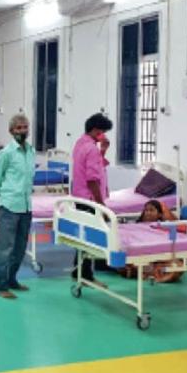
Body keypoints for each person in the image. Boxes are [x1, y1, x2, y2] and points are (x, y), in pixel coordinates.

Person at [0, 114, 36, 299]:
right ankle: (1, 285)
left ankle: (12, 279)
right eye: (19, 128)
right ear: (11, 131)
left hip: (26, 206)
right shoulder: (6, 153)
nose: (23, 131)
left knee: (20, 248)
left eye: (25, 127)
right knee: (5, 248)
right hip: (9, 205)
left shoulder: (31, 151)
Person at [70, 113, 113, 288]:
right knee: (91, 239)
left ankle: (78, 271)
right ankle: (86, 275)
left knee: (83, 237)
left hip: (79, 197)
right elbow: (92, 179)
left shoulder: (80, 144)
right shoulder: (92, 149)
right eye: (103, 131)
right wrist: (101, 204)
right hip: (90, 199)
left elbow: (93, 166)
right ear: (96, 130)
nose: (104, 134)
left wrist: (103, 150)